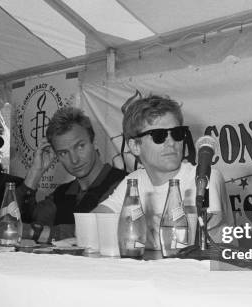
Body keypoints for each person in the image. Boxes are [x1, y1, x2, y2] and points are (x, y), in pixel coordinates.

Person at [95, 94, 234, 250]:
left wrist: (139, 231)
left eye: (177, 133)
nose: (171, 143)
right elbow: (94, 221)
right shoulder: (135, 180)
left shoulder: (205, 178)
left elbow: (210, 246)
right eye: (158, 136)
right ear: (135, 146)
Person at [11, 107, 126, 243]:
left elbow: (96, 230)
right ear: (56, 156)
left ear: (94, 142)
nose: (74, 160)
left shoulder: (124, 183)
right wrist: (35, 173)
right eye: (64, 153)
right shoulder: (62, 193)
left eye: (80, 146)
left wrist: (32, 232)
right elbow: (18, 220)